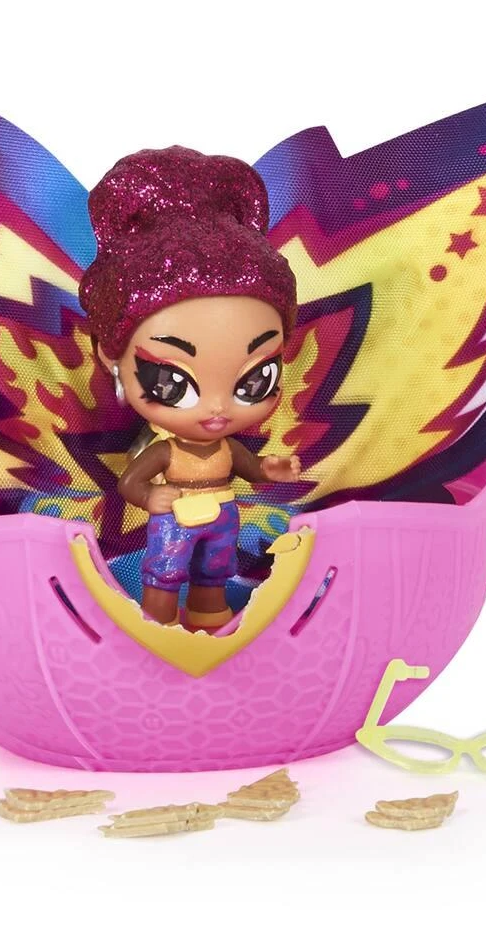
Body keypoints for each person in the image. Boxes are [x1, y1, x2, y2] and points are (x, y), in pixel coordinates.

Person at [79, 146, 301, 630]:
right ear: (111, 355)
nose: (217, 408)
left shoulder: (226, 448)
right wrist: (150, 498)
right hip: (176, 518)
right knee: (165, 573)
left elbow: (248, 467)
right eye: (173, 382)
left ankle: (208, 617)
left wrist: (268, 468)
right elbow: (131, 483)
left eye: (255, 379)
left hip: (222, 515)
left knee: (214, 572)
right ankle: (157, 624)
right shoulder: (165, 452)